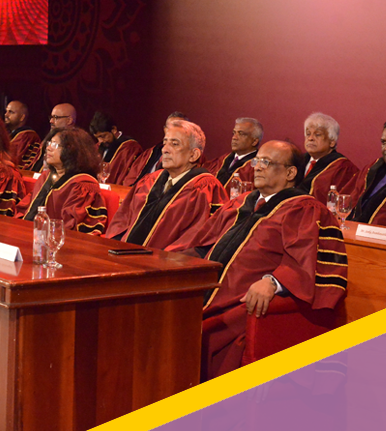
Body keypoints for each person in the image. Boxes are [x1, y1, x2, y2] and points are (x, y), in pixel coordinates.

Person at [170, 141, 347, 380]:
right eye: (257, 161)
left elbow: (306, 260)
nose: (258, 168)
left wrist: (273, 282)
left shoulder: (304, 209)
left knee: (190, 335)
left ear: (290, 172)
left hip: (237, 303)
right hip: (204, 292)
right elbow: (203, 244)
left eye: (267, 162)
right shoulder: (240, 203)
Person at [105, 119, 227, 248]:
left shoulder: (205, 189)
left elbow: (194, 239)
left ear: (193, 154)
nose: (165, 150)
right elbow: (122, 221)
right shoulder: (150, 181)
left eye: (175, 144)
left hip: (164, 263)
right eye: (165, 143)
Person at [21, 127, 108, 234]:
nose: (48, 148)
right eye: (49, 143)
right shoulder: (46, 177)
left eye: (55, 145)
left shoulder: (83, 185)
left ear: (71, 150)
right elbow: (26, 208)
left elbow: (71, 226)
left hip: (59, 241)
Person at [296, 112, 359, 203]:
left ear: (332, 142)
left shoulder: (342, 168)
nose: (310, 138)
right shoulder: (297, 161)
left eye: (317, 135)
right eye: (308, 134)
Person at [122, 111, 190, 186]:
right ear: (164, 129)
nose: (173, 131)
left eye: (177, 128)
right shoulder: (151, 152)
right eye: (170, 128)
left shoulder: (188, 156)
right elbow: (131, 178)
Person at [204, 117, 263, 194]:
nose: (234, 138)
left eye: (241, 134)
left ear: (254, 141)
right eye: (234, 133)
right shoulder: (223, 159)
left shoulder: (258, 167)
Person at [89, 111, 143, 185]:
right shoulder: (98, 147)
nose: (100, 141)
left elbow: (130, 178)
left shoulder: (130, 148)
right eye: (97, 137)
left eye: (103, 136)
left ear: (114, 129)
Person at [29, 103, 77, 172]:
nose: (51, 121)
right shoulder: (50, 138)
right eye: (51, 117)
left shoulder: (75, 144)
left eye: (56, 117)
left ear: (69, 120)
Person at [4, 99, 41, 171]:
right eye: (6, 111)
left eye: (11, 112)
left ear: (22, 117)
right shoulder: (8, 133)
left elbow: (13, 158)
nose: (6, 114)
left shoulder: (27, 136)